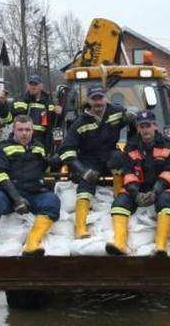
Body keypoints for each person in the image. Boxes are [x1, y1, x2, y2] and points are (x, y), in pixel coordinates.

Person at [0, 115, 60, 257]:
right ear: (13, 130)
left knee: (52, 201)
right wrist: (17, 199)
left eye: (27, 129)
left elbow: (44, 169)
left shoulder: (38, 147)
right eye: (20, 130)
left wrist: (54, 162)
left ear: (32, 131)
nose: (24, 133)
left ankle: (32, 243)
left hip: (34, 193)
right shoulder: (3, 147)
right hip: (9, 194)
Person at [57, 86, 134, 239]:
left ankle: (118, 200)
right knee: (85, 184)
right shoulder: (79, 123)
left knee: (120, 158)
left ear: (106, 98)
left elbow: (138, 124)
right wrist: (81, 170)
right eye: (94, 99)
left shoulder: (116, 112)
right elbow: (65, 150)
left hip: (109, 155)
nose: (98, 102)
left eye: (101, 98)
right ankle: (80, 228)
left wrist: (132, 119)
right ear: (88, 101)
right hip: (89, 159)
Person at [106, 110, 170, 256]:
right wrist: (135, 193)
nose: (145, 130)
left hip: (162, 188)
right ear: (138, 128)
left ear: (155, 126)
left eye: (148, 126)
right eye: (142, 126)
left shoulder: (169, 145)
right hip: (138, 188)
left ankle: (160, 246)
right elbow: (128, 173)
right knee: (119, 203)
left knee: (166, 201)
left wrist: (155, 192)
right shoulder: (131, 146)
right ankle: (120, 244)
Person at [0, 75, 61, 149]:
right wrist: (2, 104)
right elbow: (7, 120)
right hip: (20, 145)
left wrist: (59, 114)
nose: (33, 87)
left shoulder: (49, 103)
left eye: (36, 84)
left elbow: (55, 125)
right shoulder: (18, 101)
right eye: (31, 84)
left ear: (41, 86)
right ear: (27, 86)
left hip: (42, 145)